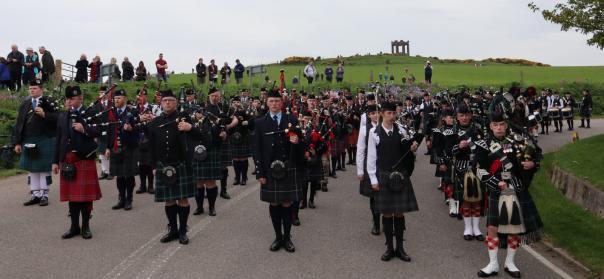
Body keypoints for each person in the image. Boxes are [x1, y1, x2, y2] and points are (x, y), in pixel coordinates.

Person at [476, 108, 543, 278]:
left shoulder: (516, 142)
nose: (499, 128)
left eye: (501, 125)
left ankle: (510, 262)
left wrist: (532, 165)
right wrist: (495, 182)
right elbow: (478, 170)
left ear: (506, 125)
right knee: (492, 228)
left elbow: (534, 157)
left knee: (514, 228)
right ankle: (493, 263)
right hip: (496, 189)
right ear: (490, 126)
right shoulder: (483, 145)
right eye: (495, 125)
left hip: (515, 188)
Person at [253, 89, 306, 253]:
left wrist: (296, 141)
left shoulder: (291, 119)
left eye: (277, 101)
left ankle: (287, 237)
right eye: (271, 101)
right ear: (267, 103)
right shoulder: (260, 122)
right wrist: (260, 172)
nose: (274, 104)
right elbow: (257, 149)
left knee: (287, 203)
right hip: (270, 169)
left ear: (281, 103)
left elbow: (302, 143)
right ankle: (278, 236)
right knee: (274, 203)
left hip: (288, 166)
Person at [366, 102, 419, 262]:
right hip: (383, 175)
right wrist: (373, 179)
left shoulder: (401, 130)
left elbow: (407, 151)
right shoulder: (374, 132)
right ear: (382, 113)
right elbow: (371, 158)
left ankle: (400, 249)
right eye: (389, 113)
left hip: (400, 176)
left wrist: (413, 149)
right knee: (387, 213)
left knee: (399, 212)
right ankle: (389, 248)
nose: (392, 116)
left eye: (393, 113)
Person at [148, 89, 201, 245]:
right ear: (161, 103)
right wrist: (153, 165)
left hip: (181, 164)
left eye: (171, 100)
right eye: (165, 101)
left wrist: (190, 128)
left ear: (176, 103)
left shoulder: (184, 119)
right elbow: (151, 146)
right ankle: (173, 229)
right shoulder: (155, 122)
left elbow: (199, 137)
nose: (168, 103)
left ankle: (183, 229)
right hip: (162, 166)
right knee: (169, 200)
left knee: (182, 199)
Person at [53, 85, 102, 239]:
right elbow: (59, 139)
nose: (70, 102)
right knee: (72, 197)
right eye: (68, 99)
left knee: (85, 197)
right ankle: (74, 227)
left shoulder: (90, 112)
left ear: (81, 98)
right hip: (68, 160)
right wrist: (56, 161)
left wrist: (84, 128)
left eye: (73, 98)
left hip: (84, 158)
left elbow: (99, 130)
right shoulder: (63, 116)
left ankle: (85, 227)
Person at [13, 79, 59, 206]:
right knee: (32, 169)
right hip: (28, 140)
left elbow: (59, 118)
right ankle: (35, 195)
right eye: (30, 88)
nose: (32, 90)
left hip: (45, 139)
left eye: (35, 88)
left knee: (44, 169)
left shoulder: (50, 102)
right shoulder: (25, 104)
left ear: (41, 89)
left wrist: (45, 114)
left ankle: (44, 195)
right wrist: (17, 142)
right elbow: (18, 124)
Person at [105, 89, 139, 211]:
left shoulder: (133, 111)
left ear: (124, 99)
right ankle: (121, 199)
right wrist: (107, 147)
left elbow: (139, 129)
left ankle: (129, 199)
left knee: (128, 175)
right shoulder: (111, 112)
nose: (116, 100)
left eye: (119, 98)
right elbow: (109, 131)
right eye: (115, 98)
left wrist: (131, 129)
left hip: (129, 146)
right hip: (116, 147)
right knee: (119, 175)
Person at [356, 104, 381, 235]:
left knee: (387, 194)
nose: (376, 115)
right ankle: (376, 223)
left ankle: (389, 221)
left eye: (377, 113)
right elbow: (360, 150)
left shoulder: (387, 127)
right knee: (374, 196)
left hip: (385, 164)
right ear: (369, 115)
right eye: (373, 113)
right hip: (370, 164)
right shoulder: (365, 129)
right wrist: (360, 171)